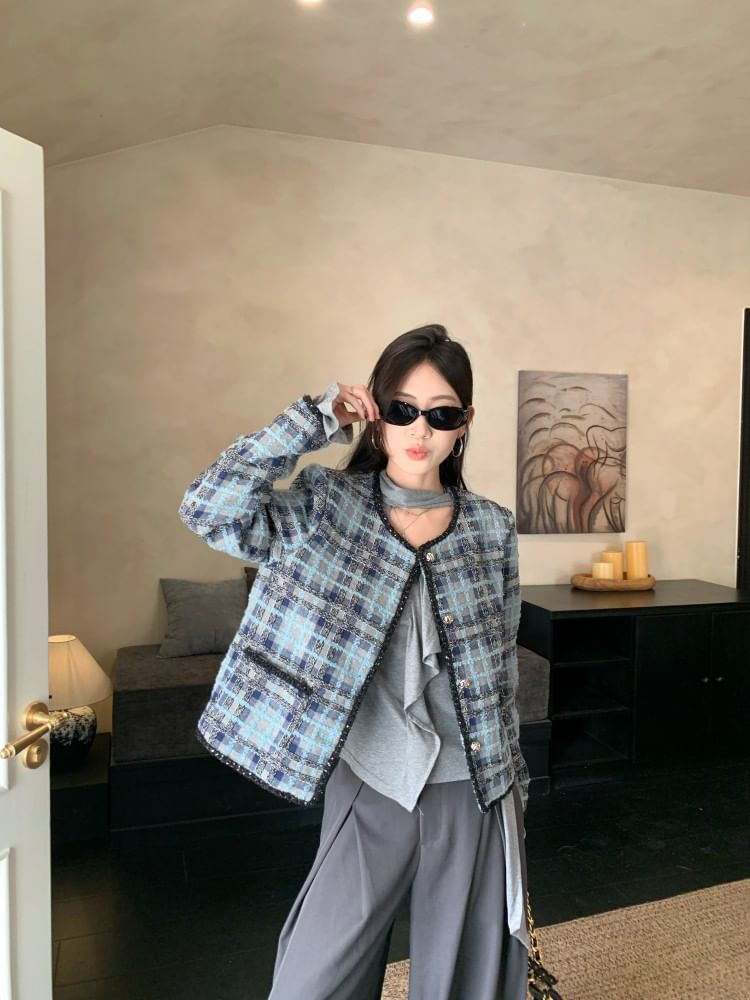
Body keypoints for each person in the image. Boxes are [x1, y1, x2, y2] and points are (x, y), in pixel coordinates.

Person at [178, 323, 531, 1000]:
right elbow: (208, 509)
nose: (419, 429)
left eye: (441, 414)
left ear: (465, 423)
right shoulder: (326, 504)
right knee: (315, 980)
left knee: (465, 982)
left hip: (471, 785)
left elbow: (501, 668)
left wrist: (513, 787)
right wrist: (310, 422)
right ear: (376, 412)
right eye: (402, 408)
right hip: (371, 778)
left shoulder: (492, 526)